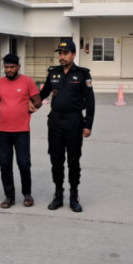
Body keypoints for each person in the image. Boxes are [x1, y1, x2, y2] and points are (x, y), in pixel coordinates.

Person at [39, 38, 95, 213]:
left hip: (74, 121)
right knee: (56, 160)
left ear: (73, 54)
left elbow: (90, 101)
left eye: (65, 53)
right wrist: (30, 104)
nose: (61, 57)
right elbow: (43, 93)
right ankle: (58, 195)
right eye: (60, 54)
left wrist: (88, 125)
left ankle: (74, 196)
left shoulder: (83, 74)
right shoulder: (53, 73)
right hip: (55, 121)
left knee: (73, 160)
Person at [0, 54, 41, 209]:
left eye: (12, 67)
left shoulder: (27, 81)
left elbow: (38, 101)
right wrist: (9, 111)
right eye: (6, 67)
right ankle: (9, 197)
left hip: (22, 130)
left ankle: (27, 194)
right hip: (3, 130)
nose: (9, 70)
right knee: (5, 164)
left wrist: (31, 106)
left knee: (24, 163)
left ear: (18, 67)